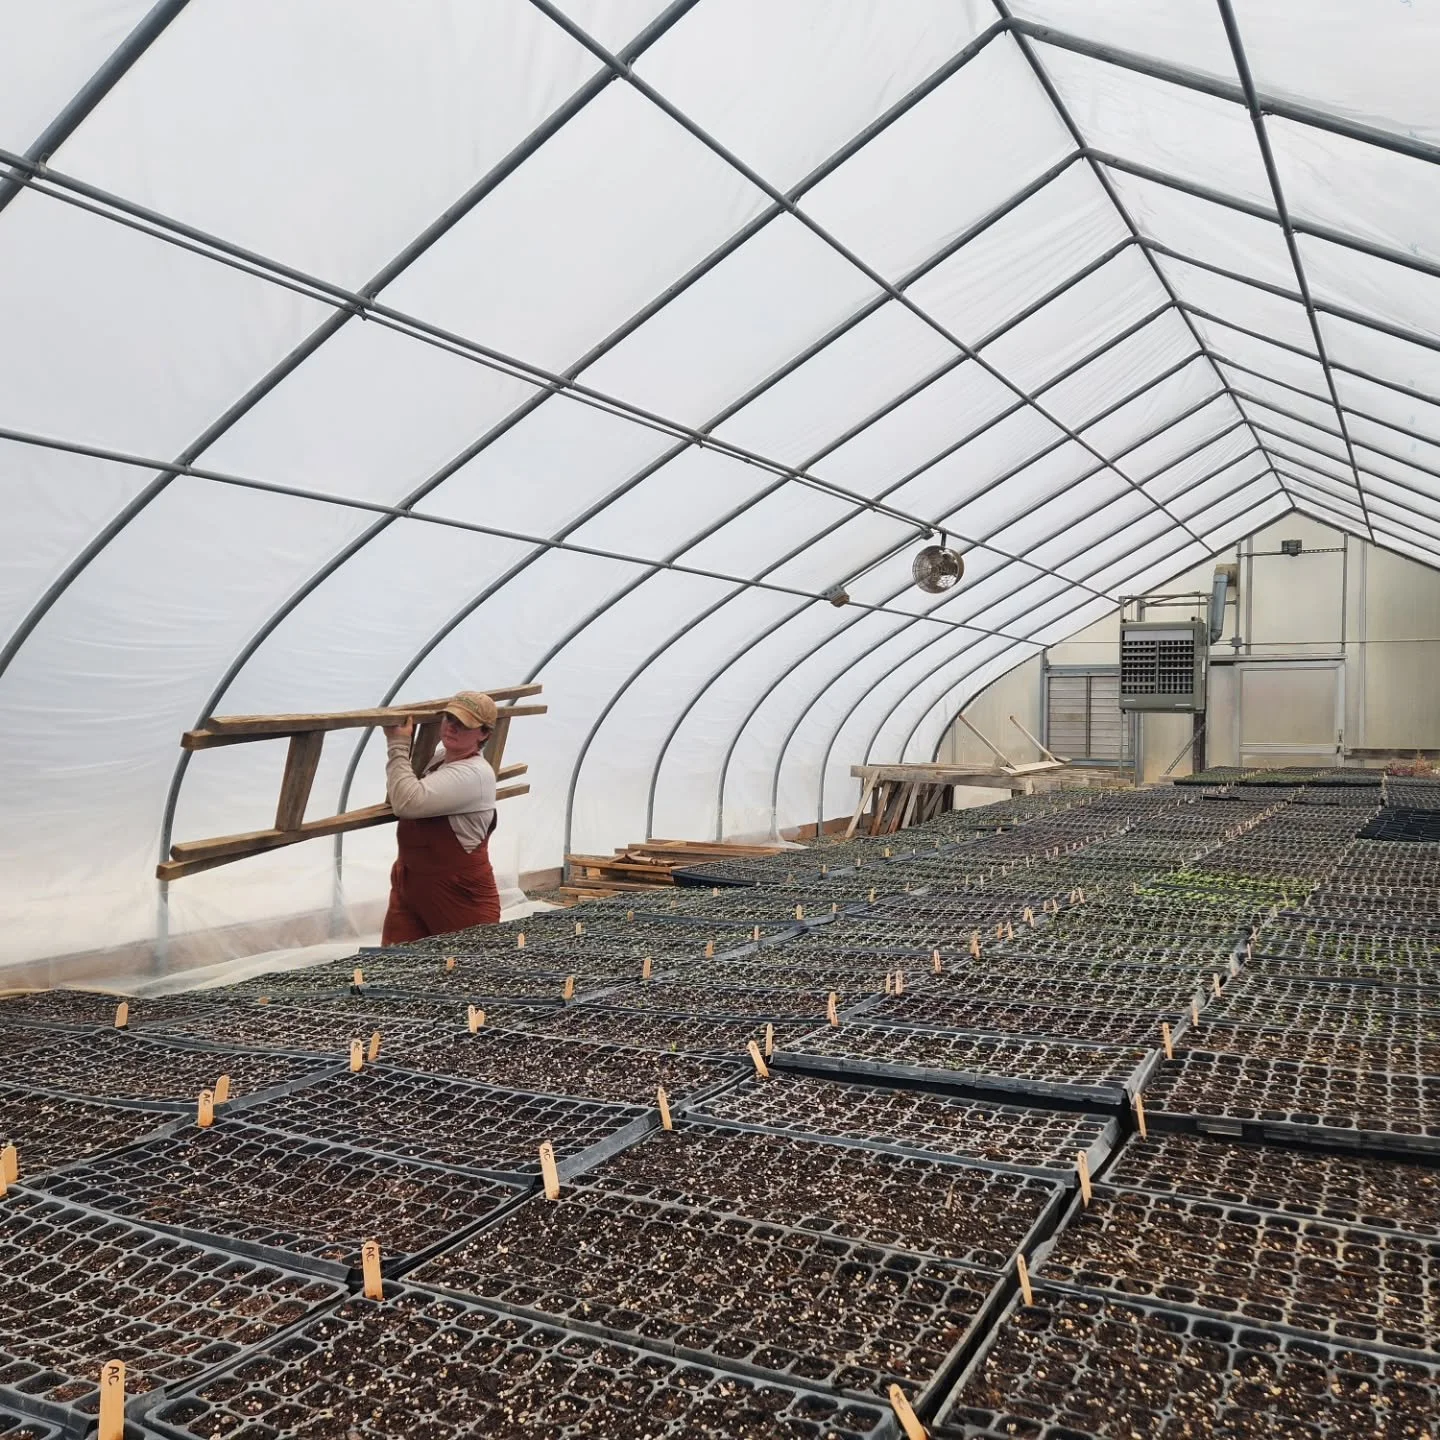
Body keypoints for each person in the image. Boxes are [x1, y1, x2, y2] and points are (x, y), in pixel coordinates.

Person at [379, 690, 501, 945]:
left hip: (459, 893)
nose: (452, 728)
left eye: (464, 725)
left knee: (466, 968)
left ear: (484, 733)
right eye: (449, 719)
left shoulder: (475, 774)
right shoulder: (437, 761)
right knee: (395, 968)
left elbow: (407, 802)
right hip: (410, 884)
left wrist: (398, 745)